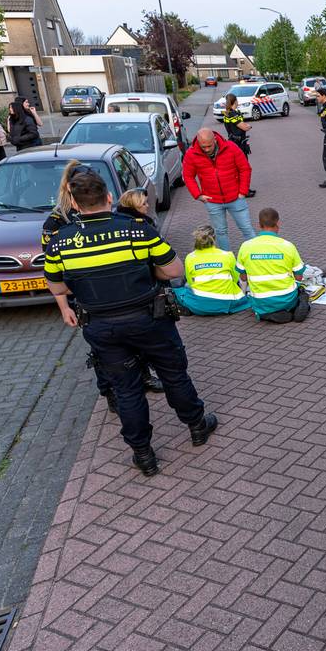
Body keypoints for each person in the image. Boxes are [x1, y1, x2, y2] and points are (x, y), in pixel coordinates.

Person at [43, 167, 218, 476]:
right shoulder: (137, 230)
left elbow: (57, 286)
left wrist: (85, 287)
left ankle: (144, 454)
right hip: (150, 319)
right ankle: (196, 426)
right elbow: (174, 270)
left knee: (126, 390)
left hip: (102, 327)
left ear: (75, 203)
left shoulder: (60, 242)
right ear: (110, 197)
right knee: (173, 374)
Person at [42, 164, 165, 413]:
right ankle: (110, 391)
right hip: (87, 295)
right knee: (102, 350)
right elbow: (52, 267)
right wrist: (64, 307)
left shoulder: (103, 208)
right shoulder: (57, 221)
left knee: (133, 338)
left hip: (120, 289)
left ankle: (143, 376)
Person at [183, 128, 256, 251]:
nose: (207, 149)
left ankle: (257, 257)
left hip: (236, 198)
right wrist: (198, 195)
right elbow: (188, 176)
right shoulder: (191, 154)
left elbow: (245, 168)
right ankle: (226, 259)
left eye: (209, 146)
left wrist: (243, 192)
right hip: (213, 201)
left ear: (215, 140)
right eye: (203, 147)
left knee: (247, 228)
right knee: (220, 232)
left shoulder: (230, 147)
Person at [236, 207, 310, 323]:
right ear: (278, 223)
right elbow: (299, 276)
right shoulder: (287, 246)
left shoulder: (246, 246)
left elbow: (243, 277)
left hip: (260, 300)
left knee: (259, 306)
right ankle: (296, 306)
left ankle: (266, 314)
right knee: (301, 292)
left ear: (259, 225)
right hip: (286, 298)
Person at [173, 224, 252, 316]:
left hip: (199, 306)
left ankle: (187, 307)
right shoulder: (228, 255)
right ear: (214, 239)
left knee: (179, 287)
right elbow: (235, 279)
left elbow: (191, 282)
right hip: (228, 303)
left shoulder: (190, 257)